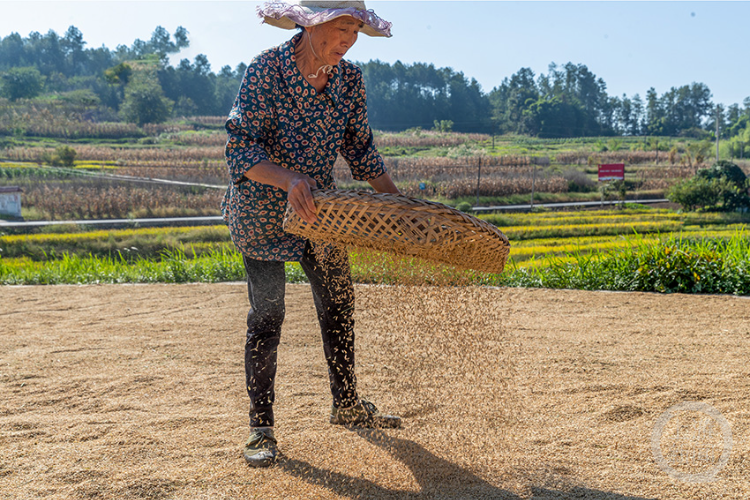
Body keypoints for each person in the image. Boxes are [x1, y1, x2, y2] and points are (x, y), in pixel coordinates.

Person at [222, 0, 401, 468]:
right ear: (309, 24)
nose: (346, 41)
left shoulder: (349, 82)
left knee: (339, 303)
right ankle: (261, 429)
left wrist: (399, 204)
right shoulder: (266, 71)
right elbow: (242, 148)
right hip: (262, 214)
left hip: (322, 216)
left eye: (354, 32)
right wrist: (289, 179)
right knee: (268, 314)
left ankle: (346, 405)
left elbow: (362, 153)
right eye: (340, 29)